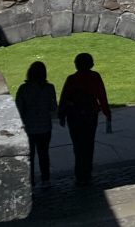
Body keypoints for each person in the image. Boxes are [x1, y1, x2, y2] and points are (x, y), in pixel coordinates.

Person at [57, 52, 112, 188]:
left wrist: (62, 115)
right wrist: (106, 111)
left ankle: (80, 174)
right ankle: (86, 173)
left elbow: (64, 98)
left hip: (75, 115)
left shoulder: (72, 79)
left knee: (78, 145)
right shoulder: (95, 77)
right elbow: (101, 95)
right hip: (90, 114)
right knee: (88, 144)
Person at [14, 61, 57, 184]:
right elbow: (53, 107)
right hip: (45, 126)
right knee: (44, 154)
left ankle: (30, 180)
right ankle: (45, 178)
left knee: (30, 156)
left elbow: (19, 109)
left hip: (29, 127)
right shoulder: (49, 88)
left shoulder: (23, 89)